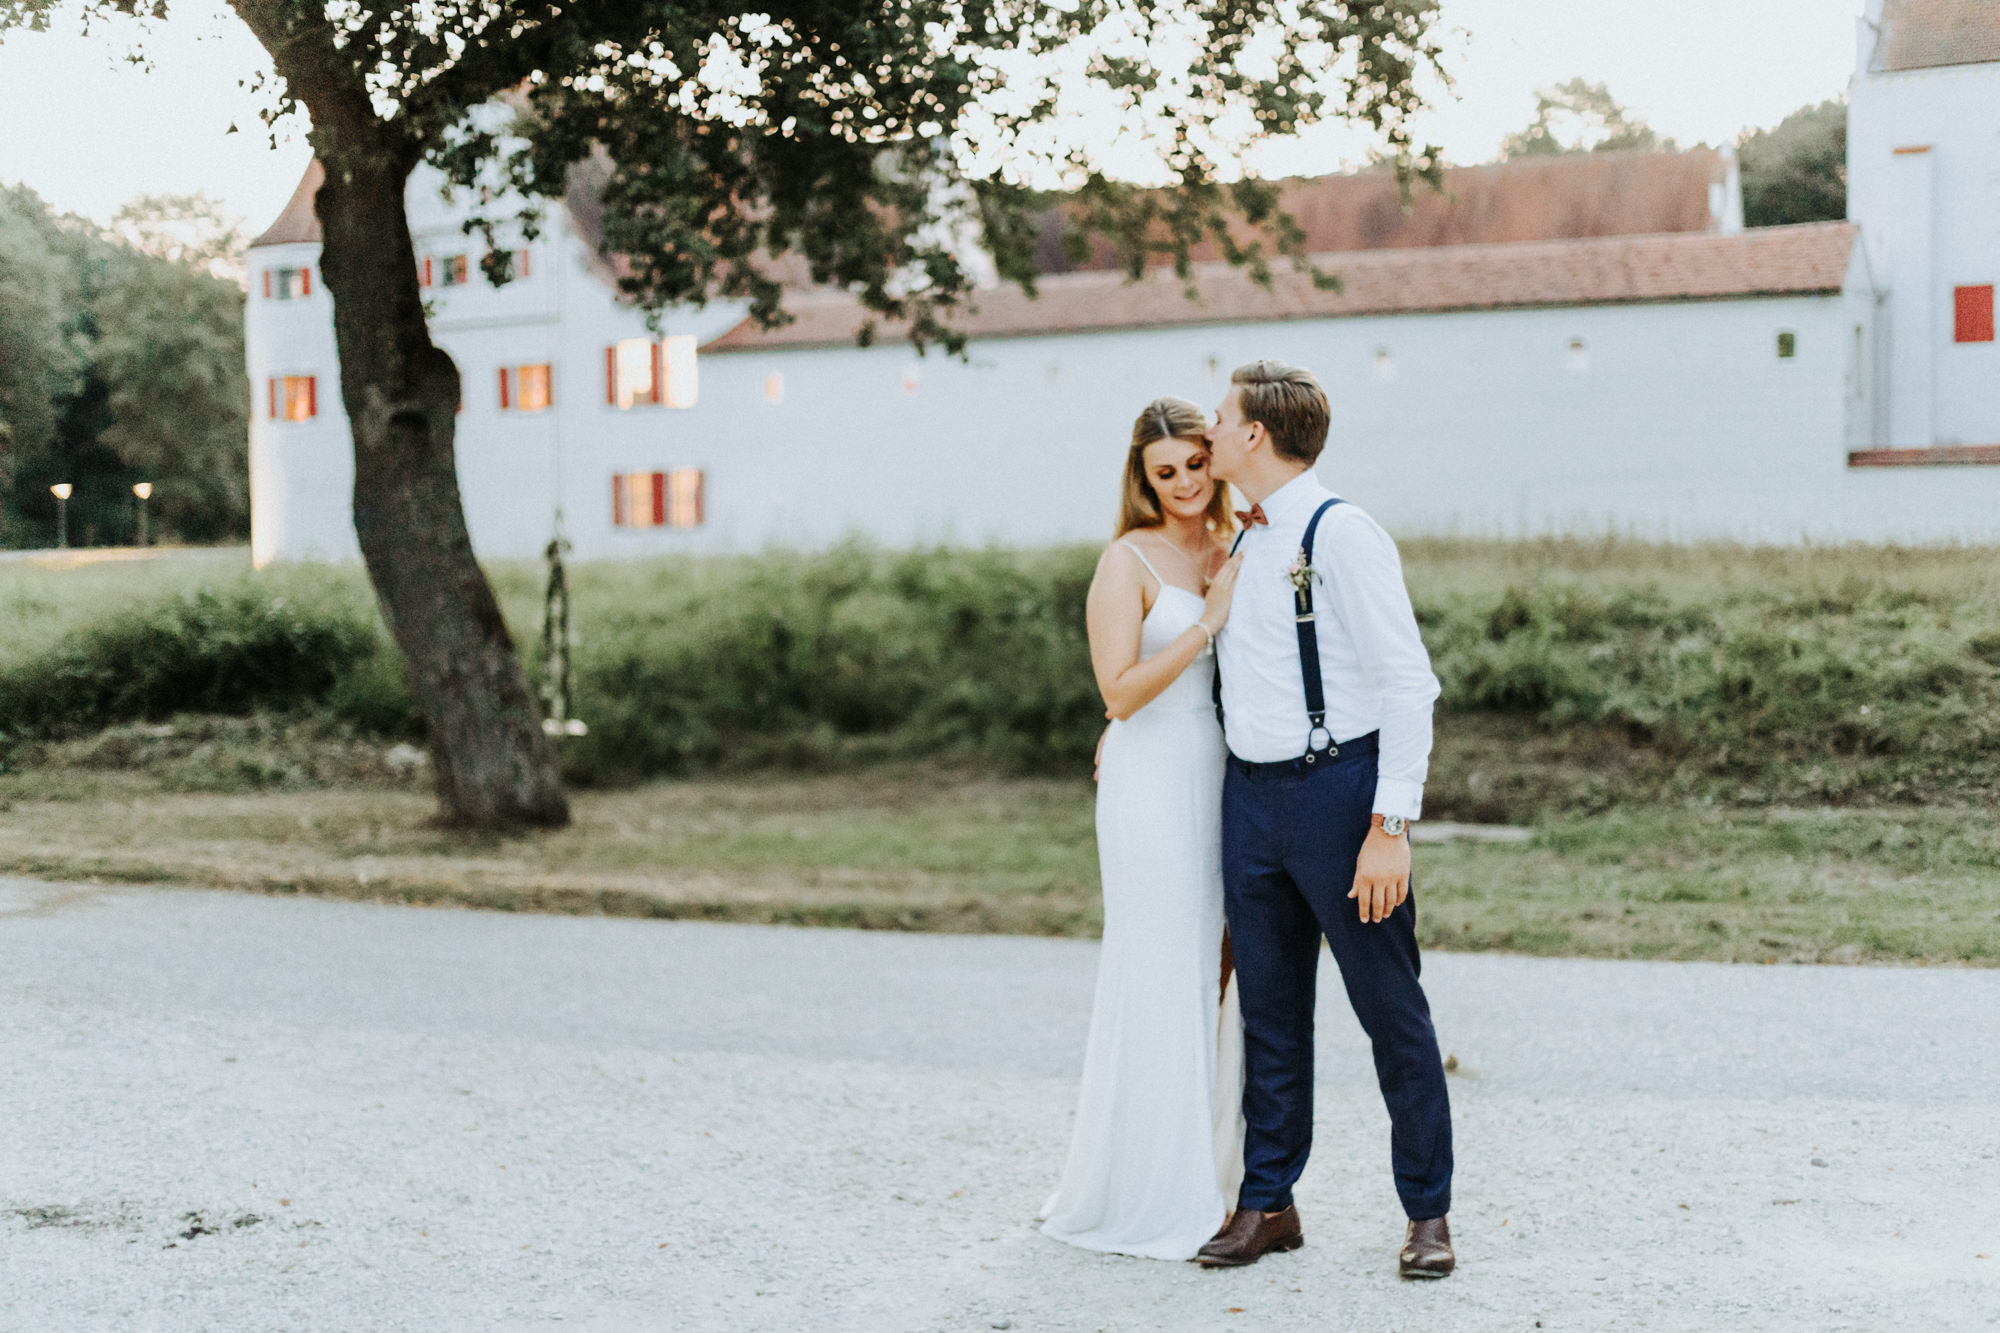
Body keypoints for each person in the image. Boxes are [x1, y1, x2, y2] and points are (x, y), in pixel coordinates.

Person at [1195, 360, 1456, 1279]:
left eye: (1221, 420)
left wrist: (1391, 824)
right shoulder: (1242, 536)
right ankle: (1269, 1200)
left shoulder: (1343, 534)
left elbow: (1407, 683)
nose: (1209, 432)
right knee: (1269, 1011)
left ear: (1256, 436)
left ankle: (1428, 1214)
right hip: (1250, 798)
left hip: (1339, 797)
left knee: (1391, 1010)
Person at [1039, 397, 1248, 1260]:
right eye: (1167, 473)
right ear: (1143, 477)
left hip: (1224, 770)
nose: (1187, 484)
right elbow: (1119, 692)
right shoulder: (1125, 560)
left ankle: (1229, 1176)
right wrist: (1206, 622)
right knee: (1164, 967)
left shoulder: (1239, 541)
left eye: (1197, 464)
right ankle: (1150, 1187)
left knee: (1225, 968)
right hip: (1150, 780)